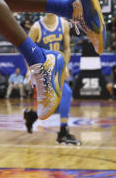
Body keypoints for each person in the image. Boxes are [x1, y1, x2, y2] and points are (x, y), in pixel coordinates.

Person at [23, 13, 79, 145]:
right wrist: (28, 70)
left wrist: (65, 65)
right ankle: (63, 133)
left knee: (56, 103)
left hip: (57, 66)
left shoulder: (63, 24)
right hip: (42, 68)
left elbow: (66, 48)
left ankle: (31, 116)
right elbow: (26, 50)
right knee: (66, 93)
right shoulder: (37, 27)